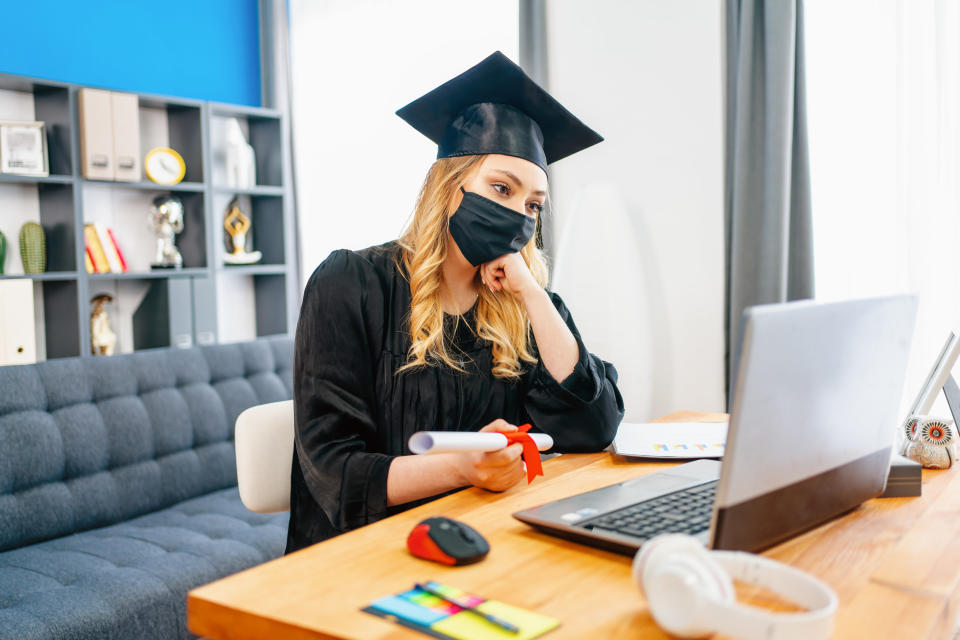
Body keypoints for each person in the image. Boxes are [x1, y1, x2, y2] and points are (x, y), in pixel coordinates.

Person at [286, 51, 625, 554]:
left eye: (532, 204)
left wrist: (532, 293)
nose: (518, 214)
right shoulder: (352, 283)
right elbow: (334, 470)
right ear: (449, 190)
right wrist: (462, 468)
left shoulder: (519, 303)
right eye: (501, 188)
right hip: (361, 553)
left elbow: (593, 427)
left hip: (485, 537)